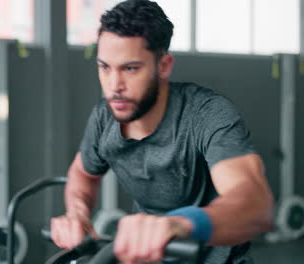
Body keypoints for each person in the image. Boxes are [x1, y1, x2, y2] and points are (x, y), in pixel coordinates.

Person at [50, 0, 274, 263]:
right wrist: (78, 213)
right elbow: (83, 173)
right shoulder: (104, 117)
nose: (114, 86)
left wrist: (181, 225)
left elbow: (254, 204)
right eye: (105, 67)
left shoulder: (206, 114)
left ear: (164, 66)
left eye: (130, 68)